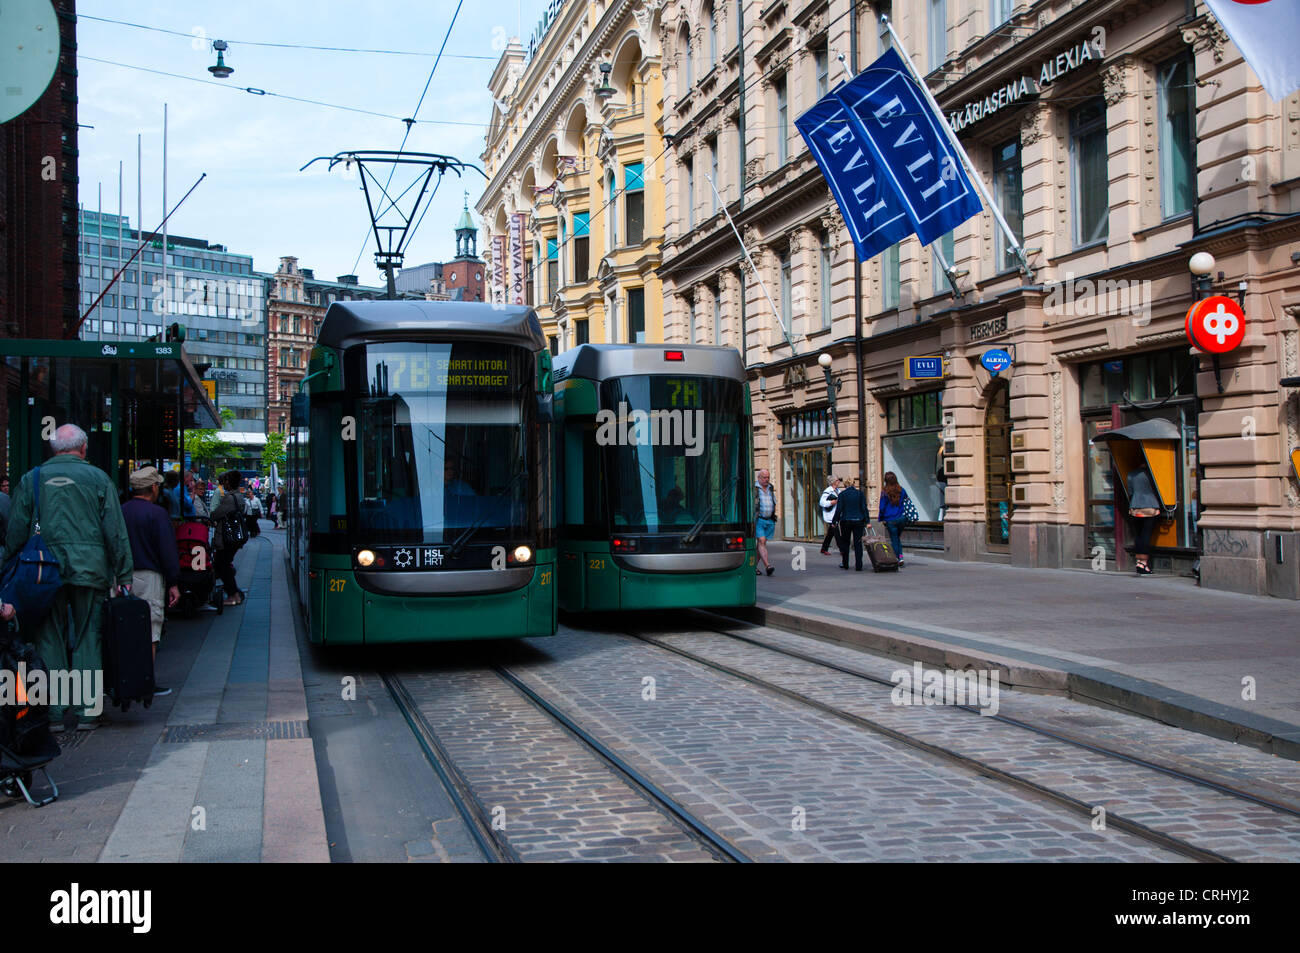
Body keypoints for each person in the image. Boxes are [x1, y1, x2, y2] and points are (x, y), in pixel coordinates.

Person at [2, 424, 133, 731]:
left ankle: (55, 712)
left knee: (50, 637)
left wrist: (7, 564)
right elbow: (115, 531)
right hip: (91, 569)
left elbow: (17, 530)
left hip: (43, 571)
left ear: (53, 449)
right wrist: (123, 572)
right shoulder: (99, 478)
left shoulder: (31, 478)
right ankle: (88, 711)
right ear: (83, 448)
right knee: (89, 636)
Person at [121, 466, 179, 694]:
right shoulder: (157, 514)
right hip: (150, 576)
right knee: (151, 629)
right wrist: (173, 582)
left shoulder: (121, 511)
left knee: (124, 627)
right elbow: (167, 550)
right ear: (154, 488)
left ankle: (124, 678)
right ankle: (146, 681)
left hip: (122, 577)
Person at [211, 470, 247, 606]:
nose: (223, 484)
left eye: (225, 481)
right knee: (224, 564)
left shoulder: (228, 498)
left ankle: (233, 594)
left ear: (228, 482)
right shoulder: (239, 496)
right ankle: (234, 592)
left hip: (227, 538)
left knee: (221, 565)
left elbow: (215, 515)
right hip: (236, 538)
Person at [1125, 468, 1162, 575]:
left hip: (1135, 507)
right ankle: (1144, 563)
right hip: (1150, 506)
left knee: (1138, 535)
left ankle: (1139, 562)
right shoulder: (1151, 473)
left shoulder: (1131, 473)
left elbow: (1130, 491)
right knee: (1146, 535)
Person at [833, 478, 869, 571]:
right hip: (858, 520)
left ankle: (845, 564)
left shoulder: (842, 495)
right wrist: (867, 521)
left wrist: (834, 521)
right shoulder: (860, 494)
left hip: (846, 521)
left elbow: (839, 509)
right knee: (858, 543)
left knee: (845, 543)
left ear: (845, 486)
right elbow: (864, 508)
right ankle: (859, 565)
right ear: (853, 485)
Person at [878, 471, 910, 568]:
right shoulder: (901, 490)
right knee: (897, 538)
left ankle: (897, 557)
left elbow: (882, 507)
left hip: (890, 519)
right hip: (901, 518)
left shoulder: (884, 492)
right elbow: (907, 502)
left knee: (894, 539)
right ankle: (900, 556)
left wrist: (881, 518)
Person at [754, 468, 777, 576]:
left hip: (769, 520)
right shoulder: (754, 488)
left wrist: (773, 516)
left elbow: (774, 502)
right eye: (764, 477)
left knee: (761, 544)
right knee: (761, 542)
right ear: (759, 478)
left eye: (768, 477)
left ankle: (752, 567)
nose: (766, 479)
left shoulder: (770, 487)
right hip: (759, 519)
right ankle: (768, 566)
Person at [818, 476, 843, 556]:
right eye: (837, 480)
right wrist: (831, 502)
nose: (839, 481)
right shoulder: (828, 491)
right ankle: (842, 549)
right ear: (833, 482)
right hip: (831, 516)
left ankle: (824, 548)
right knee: (836, 533)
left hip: (836, 514)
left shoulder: (838, 491)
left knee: (830, 534)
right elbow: (822, 503)